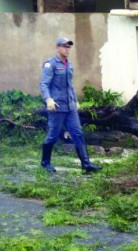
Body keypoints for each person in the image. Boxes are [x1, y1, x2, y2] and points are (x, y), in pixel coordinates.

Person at [39, 37, 101, 173]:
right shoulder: (51, 64)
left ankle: (86, 164)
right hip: (57, 107)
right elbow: (44, 84)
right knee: (53, 136)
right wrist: (48, 99)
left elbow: (70, 86)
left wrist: (75, 101)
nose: (67, 49)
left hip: (70, 107)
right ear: (58, 48)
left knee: (78, 133)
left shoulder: (69, 64)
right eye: (65, 46)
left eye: (69, 47)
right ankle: (45, 163)